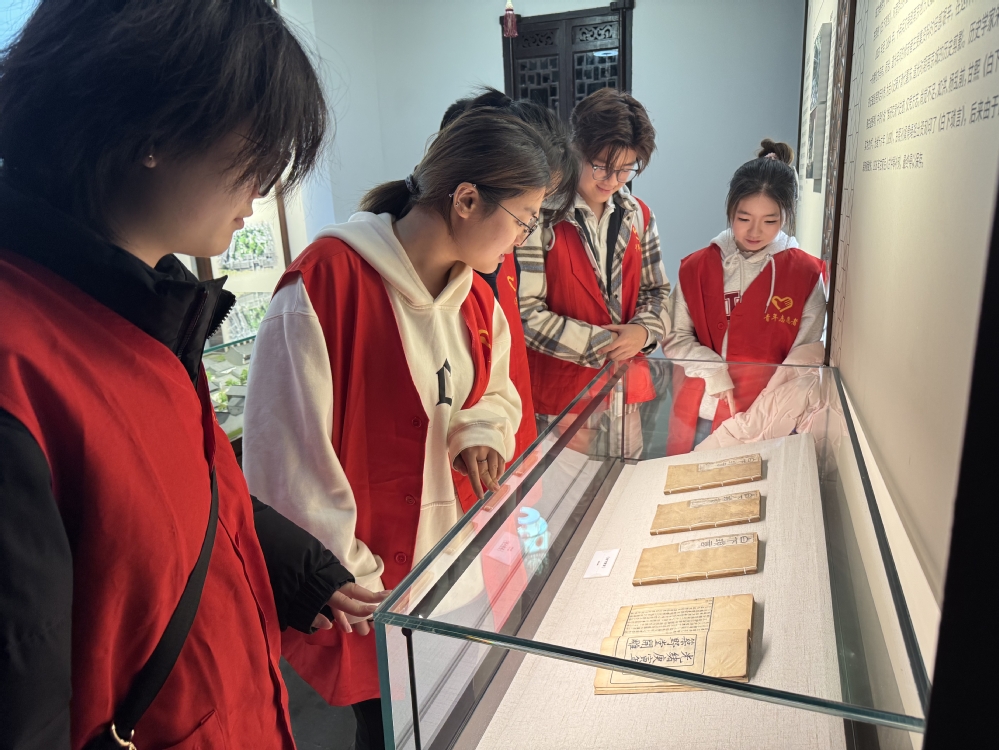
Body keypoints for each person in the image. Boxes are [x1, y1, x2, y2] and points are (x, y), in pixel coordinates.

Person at [0, 2, 388, 748]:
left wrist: (298, 567)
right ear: (154, 127)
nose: (263, 187)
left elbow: (174, 494)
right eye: (258, 150)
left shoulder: (145, 309)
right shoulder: (23, 360)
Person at [242, 108, 548, 749]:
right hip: (369, 589)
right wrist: (353, 573)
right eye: (523, 218)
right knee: (389, 732)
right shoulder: (327, 283)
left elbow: (495, 392)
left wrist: (479, 433)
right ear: (467, 200)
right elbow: (287, 460)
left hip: (452, 568)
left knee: (452, 723)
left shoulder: (476, 296)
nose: (524, 238)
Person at [518, 87, 671, 456]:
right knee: (566, 488)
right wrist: (606, 344)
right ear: (575, 148)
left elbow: (658, 292)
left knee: (625, 481)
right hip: (562, 394)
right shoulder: (540, 215)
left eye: (626, 169)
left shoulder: (639, 215)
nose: (612, 180)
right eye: (601, 165)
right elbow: (525, 314)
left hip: (625, 390)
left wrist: (643, 331)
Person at [439, 87, 578, 493]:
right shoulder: (466, 251)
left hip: (505, 429)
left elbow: (504, 357)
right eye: (527, 212)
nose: (524, 234)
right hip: (462, 459)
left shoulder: (499, 246)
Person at [662, 139, 827, 455]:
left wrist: (761, 418)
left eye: (770, 221)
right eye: (744, 218)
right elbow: (674, 336)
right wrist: (713, 370)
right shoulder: (698, 267)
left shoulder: (805, 275)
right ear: (730, 210)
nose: (755, 231)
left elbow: (801, 361)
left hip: (763, 420)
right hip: (700, 410)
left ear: (786, 216)